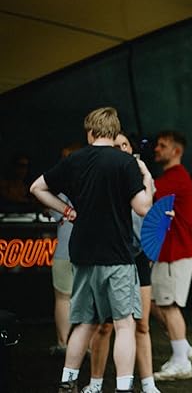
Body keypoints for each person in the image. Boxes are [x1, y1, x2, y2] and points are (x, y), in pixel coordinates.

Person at [30, 107, 154, 393]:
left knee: (84, 323)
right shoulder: (125, 163)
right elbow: (143, 208)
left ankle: (67, 382)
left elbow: (37, 188)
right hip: (117, 255)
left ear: (90, 131)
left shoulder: (74, 160)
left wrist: (67, 211)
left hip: (82, 253)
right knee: (123, 324)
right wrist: (147, 180)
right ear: (114, 131)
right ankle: (123, 387)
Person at [83, 132, 160, 393]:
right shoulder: (100, 178)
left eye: (124, 145)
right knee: (104, 325)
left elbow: (150, 217)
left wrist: (159, 225)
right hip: (111, 255)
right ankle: (95, 383)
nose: (121, 149)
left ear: (131, 149)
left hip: (137, 257)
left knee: (142, 324)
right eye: (115, 146)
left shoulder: (142, 177)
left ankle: (148, 384)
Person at [150, 130, 192, 382]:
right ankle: (183, 349)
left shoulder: (176, 177)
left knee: (169, 306)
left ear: (176, 151)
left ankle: (181, 361)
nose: (156, 149)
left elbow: (146, 194)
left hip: (175, 253)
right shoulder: (172, 177)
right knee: (157, 303)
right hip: (168, 252)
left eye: (162, 145)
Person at [47, 143, 82, 357]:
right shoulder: (93, 184)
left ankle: (63, 344)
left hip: (65, 251)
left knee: (62, 298)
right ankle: (87, 346)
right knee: (88, 300)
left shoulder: (62, 188)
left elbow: (53, 212)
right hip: (89, 251)